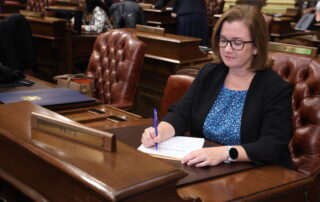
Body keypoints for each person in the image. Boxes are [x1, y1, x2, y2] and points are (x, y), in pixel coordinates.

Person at [141, 5, 293, 168]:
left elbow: (272, 146)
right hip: (204, 166)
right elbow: (181, 113)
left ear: (256, 46)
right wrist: (160, 132)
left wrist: (224, 153)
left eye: (237, 43)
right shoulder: (210, 73)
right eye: (223, 40)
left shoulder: (275, 88)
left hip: (253, 173)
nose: (227, 49)